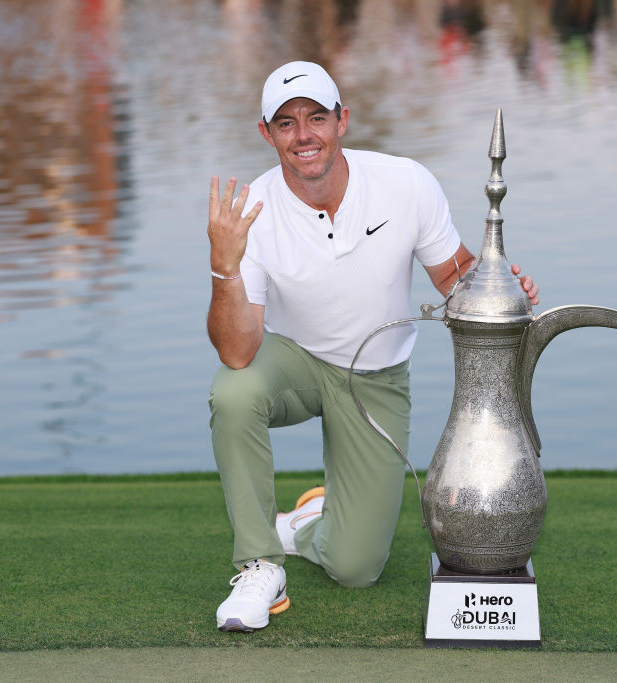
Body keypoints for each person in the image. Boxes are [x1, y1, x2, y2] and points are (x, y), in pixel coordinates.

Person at [205, 60, 539, 632]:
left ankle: (309, 522)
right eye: (285, 124)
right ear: (266, 134)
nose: (303, 135)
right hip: (296, 361)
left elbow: (453, 275)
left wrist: (496, 287)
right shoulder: (252, 211)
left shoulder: (405, 183)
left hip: (376, 376)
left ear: (343, 121)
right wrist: (223, 268)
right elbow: (238, 352)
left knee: (356, 566)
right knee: (233, 393)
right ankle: (261, 564)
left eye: (316, 118)